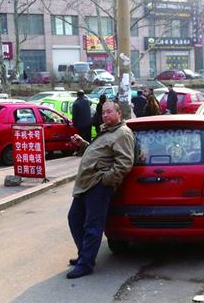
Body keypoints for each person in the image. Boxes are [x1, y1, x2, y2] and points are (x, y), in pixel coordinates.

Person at [67, 101, 135, 279]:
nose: (105, 115)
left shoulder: (122, 133)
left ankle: (86, 264)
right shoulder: (107, 130)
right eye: (103, 112)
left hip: (98, 185)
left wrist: (106, 180)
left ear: (118, 113)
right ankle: (85, 255)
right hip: (86, 184)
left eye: (109, 112)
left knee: (92, 225)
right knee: (74, 218)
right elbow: (98, 152)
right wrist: (83, 144)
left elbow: (125, 163)